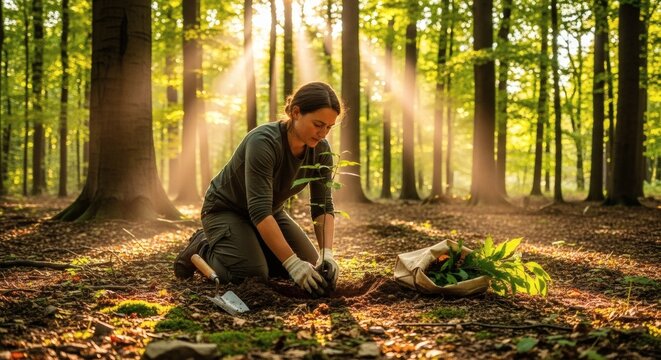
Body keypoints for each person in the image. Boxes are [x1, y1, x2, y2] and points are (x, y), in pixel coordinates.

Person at [174, 81, 342, 295]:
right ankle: (202, 246)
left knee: (310, 264)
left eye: (329, 127)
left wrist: (326, 253)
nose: (323, 133)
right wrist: (291, 263)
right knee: (251, 275)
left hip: (269, 213)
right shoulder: (263, 142)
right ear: (296, 112)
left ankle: (249, 246)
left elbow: (322, 205)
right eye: (318, 124)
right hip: (226, 210)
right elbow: (258, 210)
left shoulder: (321, 150)